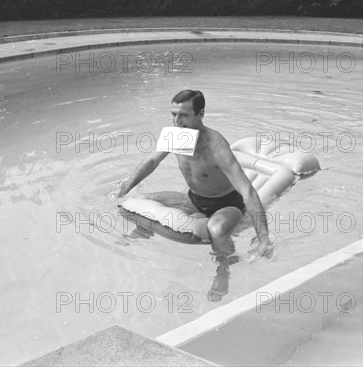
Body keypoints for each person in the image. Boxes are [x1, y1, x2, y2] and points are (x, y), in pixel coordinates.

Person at [117, 90, 274, 300]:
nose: (176, 121)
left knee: (216, 229)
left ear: (201, 114)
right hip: (194, 199)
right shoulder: (179, 135)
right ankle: (144, 232)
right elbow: (153, 161)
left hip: (226, 204)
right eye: (173, 114)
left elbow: (247, 190)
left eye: (183, 115)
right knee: (140, 202)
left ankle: (223, 270)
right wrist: (127, 185)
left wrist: (264, 238)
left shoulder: (215, 146)